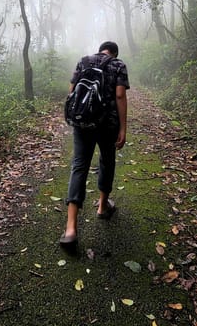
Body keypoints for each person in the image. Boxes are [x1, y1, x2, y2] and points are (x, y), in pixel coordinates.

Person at [59, 41, 129, 249]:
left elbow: (72, 91)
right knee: (107, 160)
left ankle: (71, 228)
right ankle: (102, 207)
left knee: (79, 165)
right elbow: (120, 95)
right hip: (107, 124)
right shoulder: (118, 65)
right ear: (114, 53)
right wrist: (123, 129)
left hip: (83, 122)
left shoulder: (84, 61)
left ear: (101, 49)